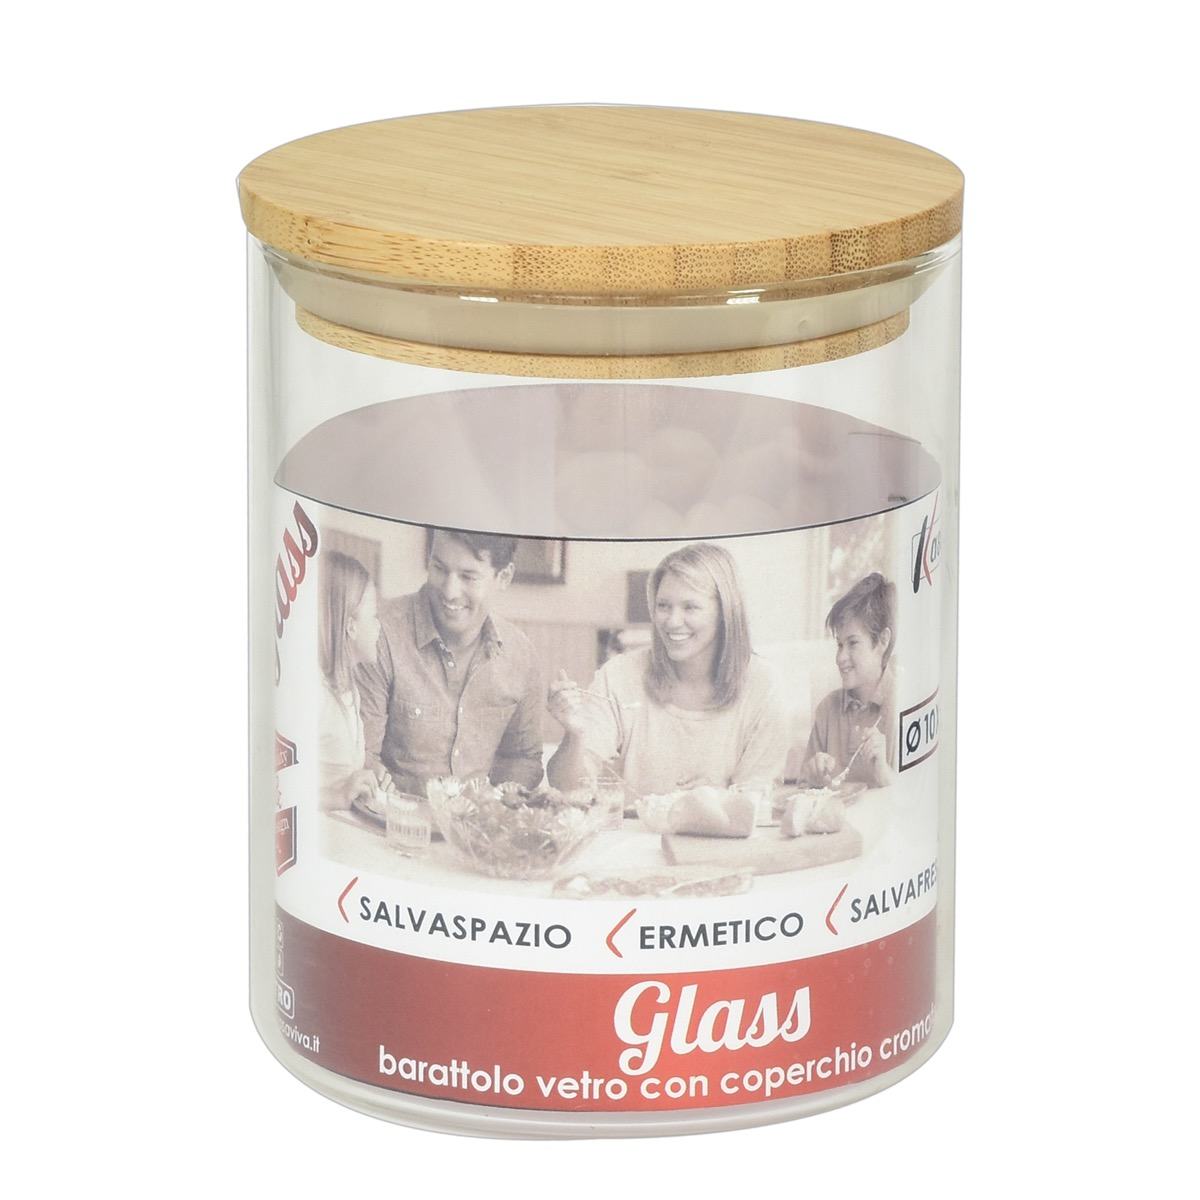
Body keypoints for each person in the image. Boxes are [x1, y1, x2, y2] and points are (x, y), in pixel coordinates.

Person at [546, 542, 790, 797]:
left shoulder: (764, 684)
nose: (672, 622)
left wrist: (712, 800)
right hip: (634, 825)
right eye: (663, 606)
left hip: (723, 826)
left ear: (725, 612)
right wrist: (575, 734)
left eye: (690, 607)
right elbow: (566, 787)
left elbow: (755, 799)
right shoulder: (619, 675)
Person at [358, 528, 544, 796]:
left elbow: (523, 758)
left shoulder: (521, 654)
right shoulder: (379, 634)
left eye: (468, 577)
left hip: (480, 818)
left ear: (503, 577)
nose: (449, 591)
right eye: (439, 568)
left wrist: (496, 803)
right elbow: (361, 755)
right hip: (391, 815)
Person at [800, 572, 897, 788]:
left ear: (882, 641)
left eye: (853, 643)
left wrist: (884, 774)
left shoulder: (905, 702)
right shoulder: (827, 710)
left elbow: (918, 794)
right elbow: (802, 792)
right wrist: (813, 779)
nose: (840, 657)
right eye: (839, 644)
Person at [317, 550, 382, 811]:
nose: (379, 626)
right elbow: (275, 784)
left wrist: (369, 776)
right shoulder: (314, 694)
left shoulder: (349, 689)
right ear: (351, 626)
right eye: (375, 616)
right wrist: (338, 796)